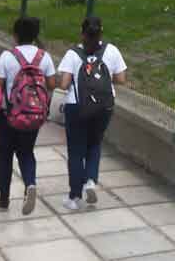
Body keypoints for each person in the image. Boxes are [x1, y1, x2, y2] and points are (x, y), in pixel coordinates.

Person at [56, 16, 126, 211]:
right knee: (94, 144)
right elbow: (121, 78)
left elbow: (63, 84)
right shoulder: (111, 51)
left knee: (76, 150)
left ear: (82, 33)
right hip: (104, 107)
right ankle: (90, 182)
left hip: (77, 106)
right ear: (101, 33)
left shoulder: (73, 53)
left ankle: (74, 197)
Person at [0, 17, 56, 215]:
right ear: (35, 35)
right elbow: (52, 84)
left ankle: (4, 199)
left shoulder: (6, 57)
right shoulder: (44, 57)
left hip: (7, 115)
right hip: (34, 115)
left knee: (5, 156)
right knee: (27, 153)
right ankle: (30, 183)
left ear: (15, 34)